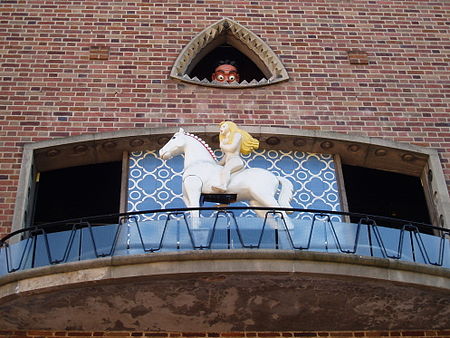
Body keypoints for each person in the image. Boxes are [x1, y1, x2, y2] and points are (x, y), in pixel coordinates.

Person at [212, 121, 259, 193]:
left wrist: (222, 145)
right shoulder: (225, 139)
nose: (221, 128)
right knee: (221, 172)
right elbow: (225, 157)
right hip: (229, 161)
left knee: (225, 171)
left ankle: (223, 186)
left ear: (230, 127)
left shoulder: (237, 135)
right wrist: (216, 164)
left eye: (224, 126)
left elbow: (232, 148)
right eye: (221, 127)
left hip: (235, 160)